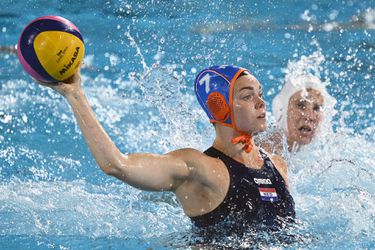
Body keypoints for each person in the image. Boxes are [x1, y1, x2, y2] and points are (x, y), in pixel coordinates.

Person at [37, 65, 295, 236]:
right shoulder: (200, 168)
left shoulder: (277, 166)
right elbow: (116, 164)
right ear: (220, 107)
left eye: (260, 94)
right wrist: (75, 94)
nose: (261, 103)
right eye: (248, 96)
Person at [271, 74, 336, 152]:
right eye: (301, 105)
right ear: (282, 110)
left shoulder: (324, 150)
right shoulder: (266, 151)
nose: (309, 116)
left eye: (316, 108)